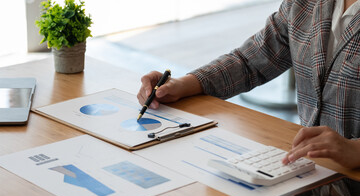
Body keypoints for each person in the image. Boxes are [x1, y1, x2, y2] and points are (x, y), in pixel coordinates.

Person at [137, 0, 360, 169]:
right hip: (314, 171)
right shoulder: (305, 3)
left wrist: (355, 151)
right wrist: (185, 84)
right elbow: (251, 60)